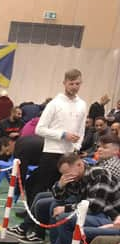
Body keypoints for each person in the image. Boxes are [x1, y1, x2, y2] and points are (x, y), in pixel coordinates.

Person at [24, 68, 87, 209]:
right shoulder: (54, 104)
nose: (75, 87)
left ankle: (47, 217)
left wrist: (76, 148)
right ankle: (32, 217)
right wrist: (63, 135)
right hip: (51, 152)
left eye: (78, 84)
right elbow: (39, 129)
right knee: (39, 187)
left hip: (70, 155)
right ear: (64, 83)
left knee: (62, 190)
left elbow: (81, 130)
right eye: (71, 84)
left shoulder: (82, 104)